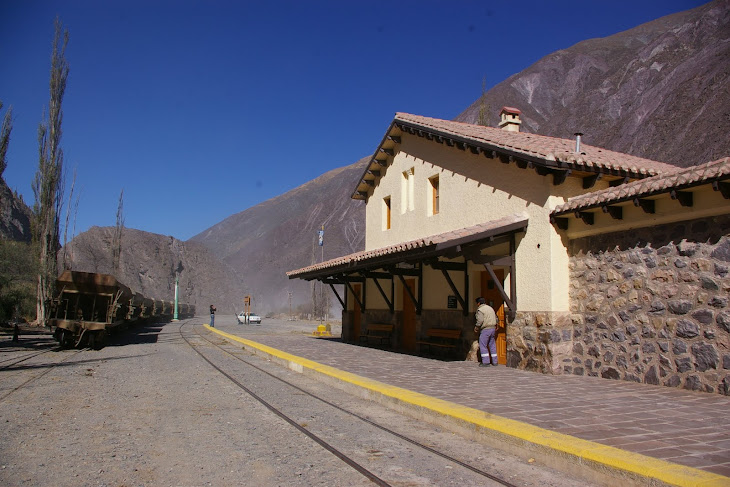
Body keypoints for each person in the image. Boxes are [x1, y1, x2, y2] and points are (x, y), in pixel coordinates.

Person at [474, 297, 498, 367]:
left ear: (478, 303)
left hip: (485, 329)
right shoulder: (490, 308)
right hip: (493, 328)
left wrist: (476, 327)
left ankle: (486, 361)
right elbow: (496, 317)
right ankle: (495, 361)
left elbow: (480, 320)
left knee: (483, 345)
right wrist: (497, 324)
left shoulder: (480, 310)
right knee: (492, 344)